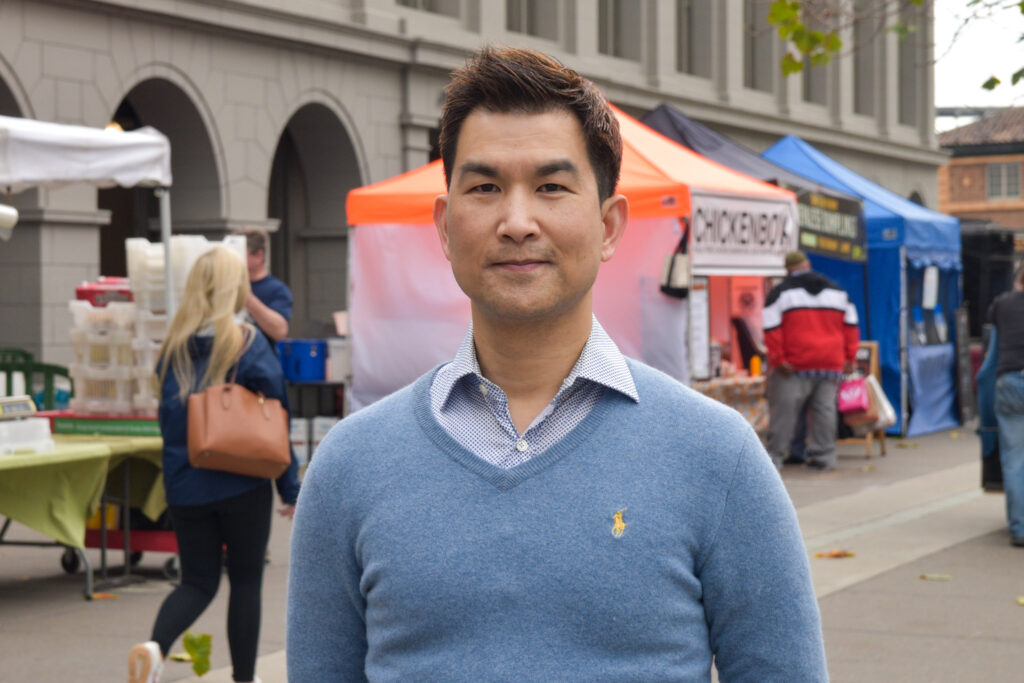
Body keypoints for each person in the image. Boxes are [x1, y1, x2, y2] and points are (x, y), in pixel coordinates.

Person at [287, 47, 826, 681]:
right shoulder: (350, 467)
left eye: (551, 187)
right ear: (443, 224)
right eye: (485, 187)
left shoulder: (717, 457)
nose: (517, 222)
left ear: (608, 225)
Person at [128, 247, 300, 683]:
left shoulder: (173, 348)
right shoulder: (245, 341)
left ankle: (154, 649)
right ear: (235, 289)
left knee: (197, 582)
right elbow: (276, 415)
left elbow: (167, 423)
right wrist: (289, 486)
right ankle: (244, 678)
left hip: (187, 485)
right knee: (245, 582)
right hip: (243, 483)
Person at [763, 251, 859, 471]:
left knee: (784, 412)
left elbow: (771, 329)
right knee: (824, 410)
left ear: (787, 270)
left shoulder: (780, 293)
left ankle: (774, 459)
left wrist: (778, 359)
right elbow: (851, 326)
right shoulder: (838, 291)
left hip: (794, 363)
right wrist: (850, 357)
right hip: (830, 362)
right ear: (808, 264)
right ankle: (824, 457)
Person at [988, 266, 1024, 546]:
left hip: (1010, 381)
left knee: (1014, 460)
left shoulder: (1002, 304)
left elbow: (992, 347)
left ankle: (1019, 528)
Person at [234, 228, 292, 345]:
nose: (235, 258)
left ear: (259, 256)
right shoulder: (228, 285)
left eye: (240, 253)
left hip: (260, 360)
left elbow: (280, 331)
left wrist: (249, 300)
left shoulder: (277, 290)